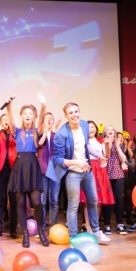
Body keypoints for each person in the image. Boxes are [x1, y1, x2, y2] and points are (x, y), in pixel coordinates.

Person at [46, 102, 111, 244]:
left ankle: (96, 232)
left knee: (93, 200)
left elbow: (86, 145)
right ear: (66, 116)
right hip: (72, 172)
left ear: (79, 112)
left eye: (76, 111)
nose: (74, 115)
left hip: (86, 170)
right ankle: (73, 237)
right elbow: (58, 160)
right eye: (71, 113)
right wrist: (77, 162)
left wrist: (98, 155)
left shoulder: (84, 125)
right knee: (73, 205)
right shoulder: (61, 134)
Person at [5, 94, 49, 248]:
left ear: (34, 116)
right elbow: (10, 121)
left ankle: (41, 231)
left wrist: (43, 106)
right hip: (19, 167)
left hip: (32, 166)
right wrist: (9, 107)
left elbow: (42, 120)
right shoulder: (17, 131)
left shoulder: (37, 131)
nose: (28, 115)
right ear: (22, 116)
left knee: (37, 202)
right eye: (25, 113)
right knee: (21, 202)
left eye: (31, 113)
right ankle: (25, 234)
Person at [0, 113, 18, 240]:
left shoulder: (16, 133)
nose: (6, 122)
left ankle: (13, 229)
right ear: (0, 122)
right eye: (3, 120)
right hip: (0, 170)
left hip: (13, 170)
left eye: (8, 119)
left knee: (13, 200)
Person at [102, 125, 128, 235]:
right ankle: (107, 225)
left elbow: (123, 160)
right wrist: (107, 144)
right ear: (104, 133)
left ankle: (119, 224)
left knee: (119, 199)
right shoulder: (102, 143)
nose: (110, 131)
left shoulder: (119, 144)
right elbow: (105, 156)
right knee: (107, 200)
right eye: (108, 130)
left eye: (112, 130)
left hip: (118, 174)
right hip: (106, 175)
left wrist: (117, 147)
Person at [38, 113, 62, 230]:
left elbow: (60, 147)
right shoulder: (38, 134)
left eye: (51, 119)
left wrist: (56, 129)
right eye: (47, 119)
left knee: (54, 200)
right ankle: (42, 226)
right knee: (42, 200)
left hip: (55, 171)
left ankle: (53, 225)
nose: (49, 121)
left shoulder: (56, 135)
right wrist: (45, 132)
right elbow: (39, 144)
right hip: (42, 170)